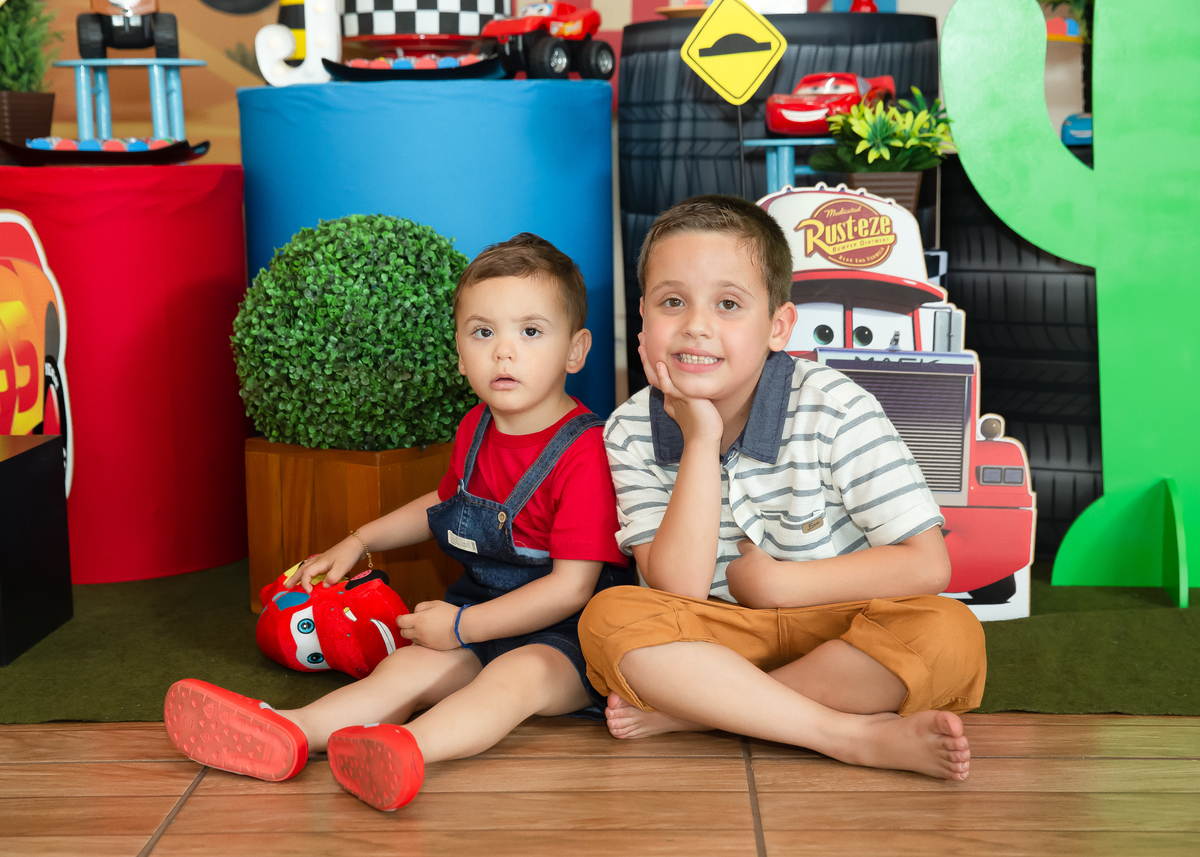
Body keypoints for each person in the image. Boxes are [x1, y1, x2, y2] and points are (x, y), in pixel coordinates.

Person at [165, 233, 630, 810]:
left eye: (530, 332)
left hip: (569, 643)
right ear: (459, 352)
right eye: (483, 333)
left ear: (576, 350)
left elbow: (571, 588)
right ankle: (290, 730)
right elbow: (444, 504)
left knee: (513, 680)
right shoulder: (476, 427)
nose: (503, 352)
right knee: (404, 670)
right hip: (476, 620)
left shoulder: (584, 453)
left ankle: (406, 749)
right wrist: (359, 540)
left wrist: (463, 626)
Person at [578, 195, 986, 781]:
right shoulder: (628, 429)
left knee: (950, 633)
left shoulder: (836, 406)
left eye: (728, 304)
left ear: (778, 326)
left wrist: (783, 586)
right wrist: (699, 440)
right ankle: (845, 734)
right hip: (717, 637)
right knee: (608, 618)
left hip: (842, 627)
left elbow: (927, 565)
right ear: (642, 317)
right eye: (672, 302)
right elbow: (679, 589)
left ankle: (702, 713)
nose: (696, 326)